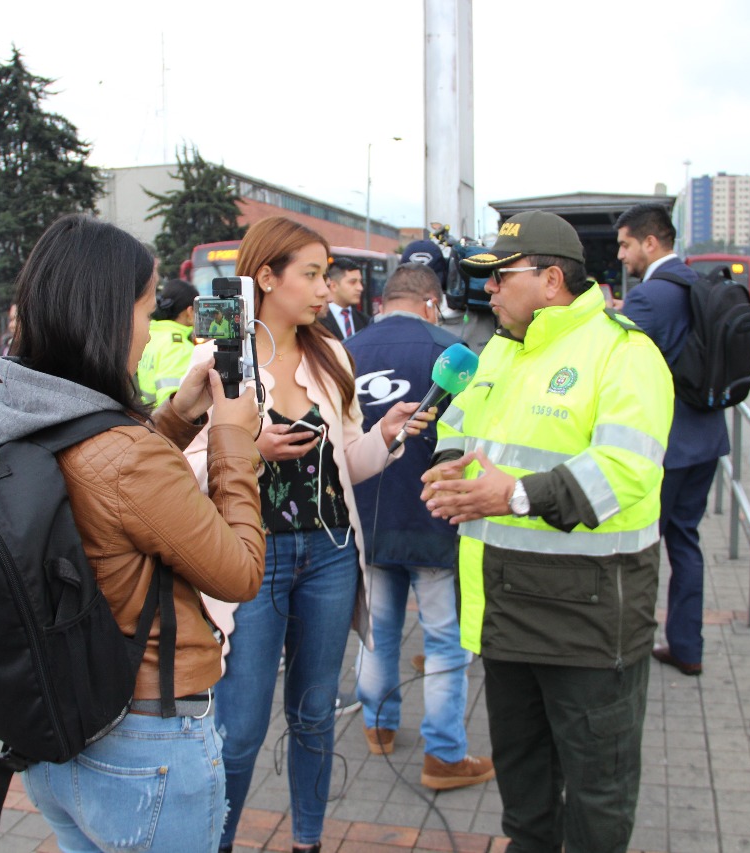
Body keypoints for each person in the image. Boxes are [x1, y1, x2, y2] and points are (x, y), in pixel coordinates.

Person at [0, 214, 266, 853]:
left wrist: (181, 415)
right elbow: (238, 573)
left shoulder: (9, 408)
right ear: (107, 314)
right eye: (149, 308)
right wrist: (234, 437)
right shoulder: (122, 450)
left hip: (53, 734)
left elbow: (101, 489)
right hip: (144, 744)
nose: (152, 329)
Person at [421, 210, 673, 853]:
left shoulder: (624, 353)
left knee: (597, 802)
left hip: (588, 625)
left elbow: (626, 472)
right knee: (525, 802)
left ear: (552, 279)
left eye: (503, 276)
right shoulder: (498, 353)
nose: (491, 291)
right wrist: (449, 474)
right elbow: (458, 433)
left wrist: (515, 493)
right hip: (506, 620)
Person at [182, 216, 429, 853]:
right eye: (311, 274)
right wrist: (247, 447)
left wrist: (386, 436)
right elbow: (178, 466)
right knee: (238, 729)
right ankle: (219, 841)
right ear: (266, 276)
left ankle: (309, 841)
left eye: (326, 274)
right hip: (250, 558)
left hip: (330, 552)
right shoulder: (218, 356)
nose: (326, 289)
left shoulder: (331, 354)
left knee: (315, 713)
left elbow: (349, 461)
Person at [343, 262, 494, 790]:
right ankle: (445, 754)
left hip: (366, 516)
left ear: (386, 300)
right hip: (435, 513)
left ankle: (378, 726)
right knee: (444, 639)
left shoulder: (346, 350)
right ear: (433, 303)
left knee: (377, 631)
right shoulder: (452, 354)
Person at [616, 203, 730, 677]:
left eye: (625, 244)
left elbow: (620, 362)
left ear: (650, 242)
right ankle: (687, 646)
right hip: (706, 437)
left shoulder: (649, 296)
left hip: (667, 448)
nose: (621, 255)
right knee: (685, 542)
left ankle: (628, 647)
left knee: (639, 547)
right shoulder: (697, 284)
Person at [137, 278, 198, 407]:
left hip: (148, 416)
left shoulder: (151, 335)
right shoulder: (177, 347)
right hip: (165, 422)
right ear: (190, 311)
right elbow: (172, 400)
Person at [317, 257, 369, 340]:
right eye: (353, 282)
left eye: (360, 282)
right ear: (333, 286)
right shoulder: (317, 320)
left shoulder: (366, 321)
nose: (360, 288)